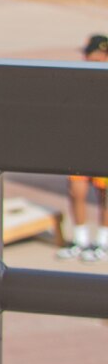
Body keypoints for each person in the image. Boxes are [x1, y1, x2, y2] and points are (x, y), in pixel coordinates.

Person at [62, 35, 108, 261]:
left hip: (103, 145)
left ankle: (103, 242)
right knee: (76, 191)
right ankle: (80, 240)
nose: (86, 58)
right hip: (81, 145)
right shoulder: (80, 79)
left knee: (105, 194)